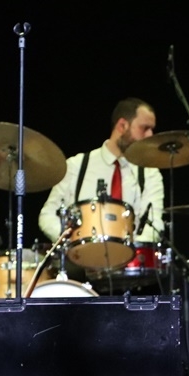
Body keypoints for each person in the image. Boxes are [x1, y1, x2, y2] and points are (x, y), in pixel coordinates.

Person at [37, 97, 165, 291]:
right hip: (79, 274)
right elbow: (47, 215)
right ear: (122, 125)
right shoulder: (76, 166)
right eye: (144, 128)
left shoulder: (150, 173)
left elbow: (155, 223)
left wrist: (128, 253)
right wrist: (74, 246)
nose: (150, 135)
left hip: (129, 278)